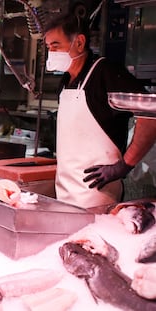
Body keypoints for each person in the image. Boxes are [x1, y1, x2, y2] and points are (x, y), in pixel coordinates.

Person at [44, 13, 156, 208]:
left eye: (56, 45)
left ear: (79, 42)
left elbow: (151, 112)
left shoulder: (106, 73)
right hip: (64, 188)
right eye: (48, 48)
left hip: (97, 195)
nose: (51, 53)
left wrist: (124, 166)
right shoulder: (66, 81)